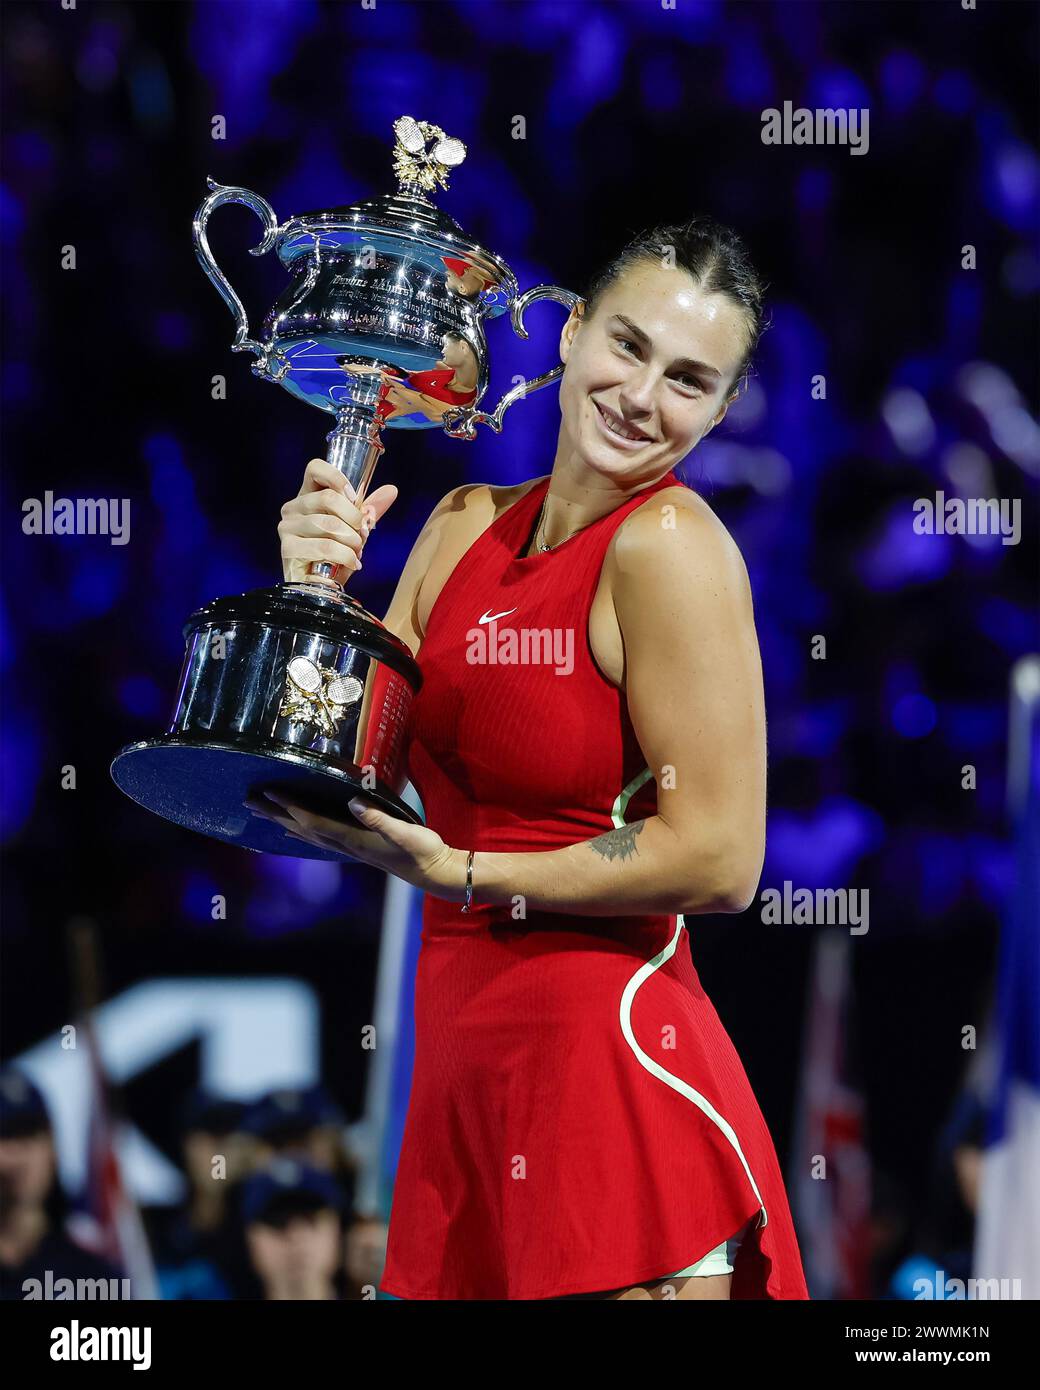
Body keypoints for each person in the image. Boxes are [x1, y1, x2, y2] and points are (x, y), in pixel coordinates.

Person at [254, 216, 810, 1301]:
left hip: (611, 1091)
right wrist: (313, 589)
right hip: (463, 1078)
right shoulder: (459, 523)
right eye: (628, 346)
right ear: (566, 333)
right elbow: (335, 762)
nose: (642, 396)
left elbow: (720, 859)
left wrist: (464, 874)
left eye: (690, 380)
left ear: (722, 411)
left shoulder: (669, 546)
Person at [0, 1070, 124, 1300]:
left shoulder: (97, 1282)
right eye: (4, 1136)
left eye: (29, 1135)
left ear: (53, 1148)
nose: (17, 1156)